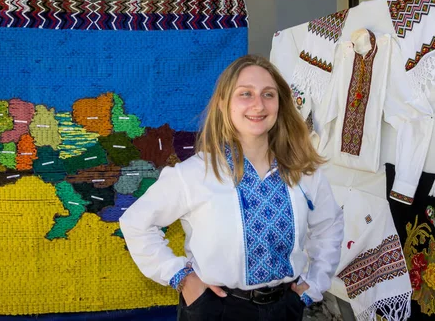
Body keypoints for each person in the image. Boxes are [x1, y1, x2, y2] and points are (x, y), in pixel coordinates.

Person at [119, 54, 344, 321]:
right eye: (245, 94)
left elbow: (329, 226)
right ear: (224, 104)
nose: (258, 104)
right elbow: (136, 222)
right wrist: (183, 278)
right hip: (216, 310)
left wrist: (314, 285)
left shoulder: (304, 172)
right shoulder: (195, 173)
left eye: (268, 94)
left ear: (280, 103)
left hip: (285, 308)